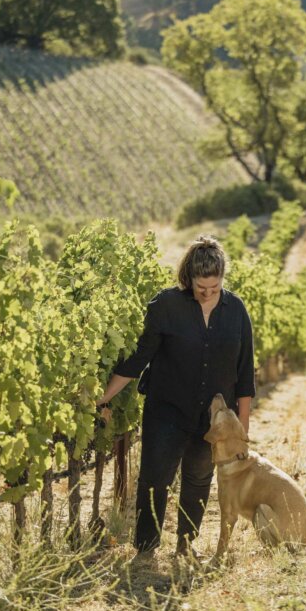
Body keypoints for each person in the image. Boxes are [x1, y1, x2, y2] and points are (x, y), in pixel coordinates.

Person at [95, 235, 256, 558]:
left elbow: (245, 374)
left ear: (222, 278)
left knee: (198, 480)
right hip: (167, 409)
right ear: (189, 278)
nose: (208, 294)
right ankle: (145, 549)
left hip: (212, 419)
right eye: (201, 288)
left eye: (214, 288)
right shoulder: (165, 306)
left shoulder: (236, 310)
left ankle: (185, 544)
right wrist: (102, 398)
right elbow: (138, 360)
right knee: (155, 479)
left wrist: (242, 428)